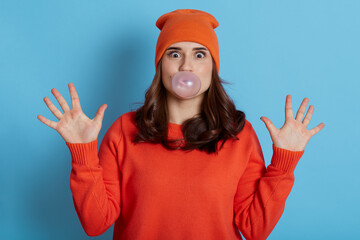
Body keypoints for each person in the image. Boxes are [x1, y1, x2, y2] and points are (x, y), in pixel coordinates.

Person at [37, 9, 325, 240]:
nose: (186, 66)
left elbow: (255, 230)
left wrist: (283, 164)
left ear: (212, 66)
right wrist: (82, 152)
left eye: (199, 54)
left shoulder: (240, 136)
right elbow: (95, 224)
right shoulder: (124, 132)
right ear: (160, 64)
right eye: (174, 54)